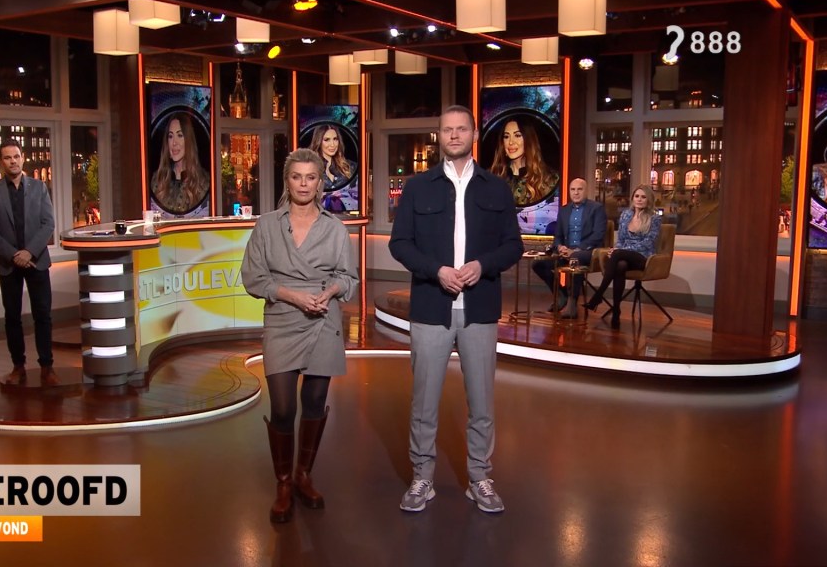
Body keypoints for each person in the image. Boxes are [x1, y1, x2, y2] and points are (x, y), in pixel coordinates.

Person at [389, 105, 523, 514]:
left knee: (481, 403)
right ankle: (422, 478)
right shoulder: (418, 187)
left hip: (479, 309)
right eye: (447, 129)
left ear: (474, 134)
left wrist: (483, 265)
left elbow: (513, 245)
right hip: (432, 308)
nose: (453, 135)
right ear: (439, 135)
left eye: (461, 129)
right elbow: (400, 243)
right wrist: (437, 270)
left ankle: (479, 477)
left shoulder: (496, 188)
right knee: (424, 403)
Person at [241, 147, 359, 524]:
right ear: (287, 181)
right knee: (282, 408)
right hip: (282, 318)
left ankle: (303, 476)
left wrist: (331, 290)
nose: (304, 184)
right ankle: (283, 482)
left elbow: (348, 278)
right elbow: (253, 278)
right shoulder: (267, 226)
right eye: (297, 177)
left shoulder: (334, 228)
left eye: (311, 177)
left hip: (323, 319)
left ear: (320, 182)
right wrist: (292, 296)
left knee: (314, 402)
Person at [0, 139, 58, 386]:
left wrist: (29, 252)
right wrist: (15, 255)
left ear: (23, 158)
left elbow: (48, 223)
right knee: (12, 317)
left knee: (43, 315)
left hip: (37, 261)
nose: (12, 161)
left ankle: (47, 366)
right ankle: (18, 366)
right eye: (7, 157)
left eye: (16, 156)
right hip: (8, 264)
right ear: (0, 161)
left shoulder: (39, 187)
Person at [584, 184, 662, 329]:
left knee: (618, 254)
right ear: (633, 198)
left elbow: (648, 243)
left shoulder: (654, 218)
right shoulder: (626, 215)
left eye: (643, 197)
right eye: (637, 196)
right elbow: (620, 240)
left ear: (649, 200)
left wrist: (619, 251)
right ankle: (616, 311)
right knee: (620, 266)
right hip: (624, 257)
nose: (639, 199)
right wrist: (619, 249)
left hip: (643, 257)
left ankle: (598, 295)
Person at [532, 178, 607, 318]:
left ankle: (572, 303)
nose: (576, 193)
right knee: (538, 264)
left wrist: (576, 250)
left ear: (586, 191)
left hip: (589, 252)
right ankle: (561, 294)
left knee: (576, 258)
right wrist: (560, 247)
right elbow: (558, 235)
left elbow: (598, 235)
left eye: (579, 189)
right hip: (566, 252)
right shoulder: (564, 210)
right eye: (573, 189)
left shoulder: (596, 208)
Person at [489, 117, 559, 207]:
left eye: (517, 135)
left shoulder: (550, 179)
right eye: (506, 136)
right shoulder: (490, 177)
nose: (511, 142)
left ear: (528, 139)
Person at [151, 113, 209, 214]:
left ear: (188, 140)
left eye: (180, 135)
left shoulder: (203, 182)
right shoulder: (157, 180)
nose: (174, 143)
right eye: (170, 136)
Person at [309, 124, 356, 192]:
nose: (332, 144)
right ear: (318, 142)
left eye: (335, 139)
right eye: (327, 140)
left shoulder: (350, 166)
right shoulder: (309, 167)